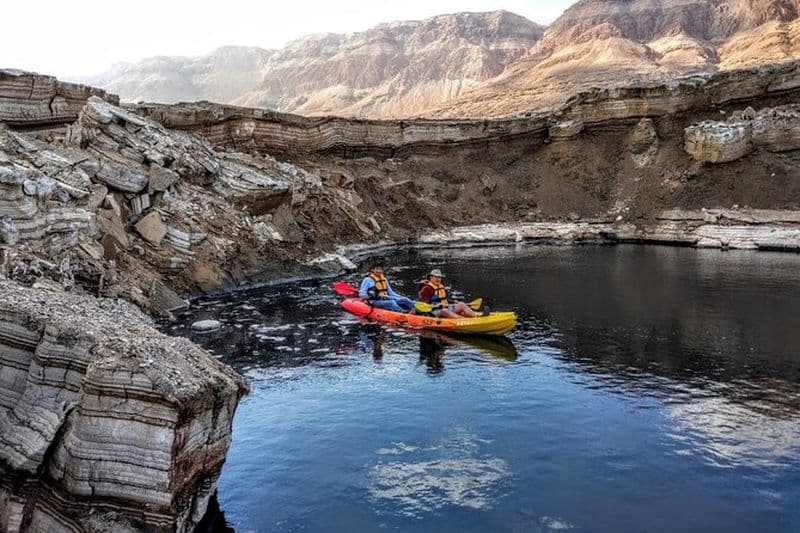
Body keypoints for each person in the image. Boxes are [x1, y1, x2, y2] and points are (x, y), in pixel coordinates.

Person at [418, 269, 482, 318]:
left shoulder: (440, 286)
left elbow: (444, 299)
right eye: (436, 277)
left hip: (445, 308)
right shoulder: (427, 288)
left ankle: (475, 316)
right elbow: (424, 304)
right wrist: (437, 306)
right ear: (431, 278)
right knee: (444, 311)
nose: (438, 279)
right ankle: (464, 320)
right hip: (433, 311)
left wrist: (454, 302)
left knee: (461, 304)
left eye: (439, 277)